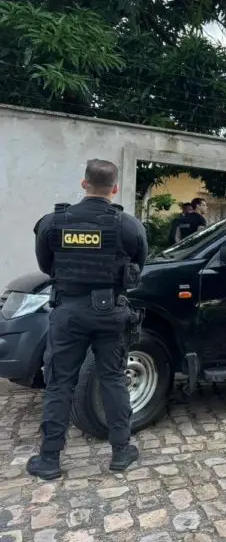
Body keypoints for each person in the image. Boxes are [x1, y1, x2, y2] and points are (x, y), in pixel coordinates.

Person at [28, 159, 148, 480]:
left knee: (59, 383)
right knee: (113, 378)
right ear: (115, 188)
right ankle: (121, 451)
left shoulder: (53, 223)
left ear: (84, 184)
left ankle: (49, 459)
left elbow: (46, 265)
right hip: (111, 312)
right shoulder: (128, 226)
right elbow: (139, 266)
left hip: (68, 311)